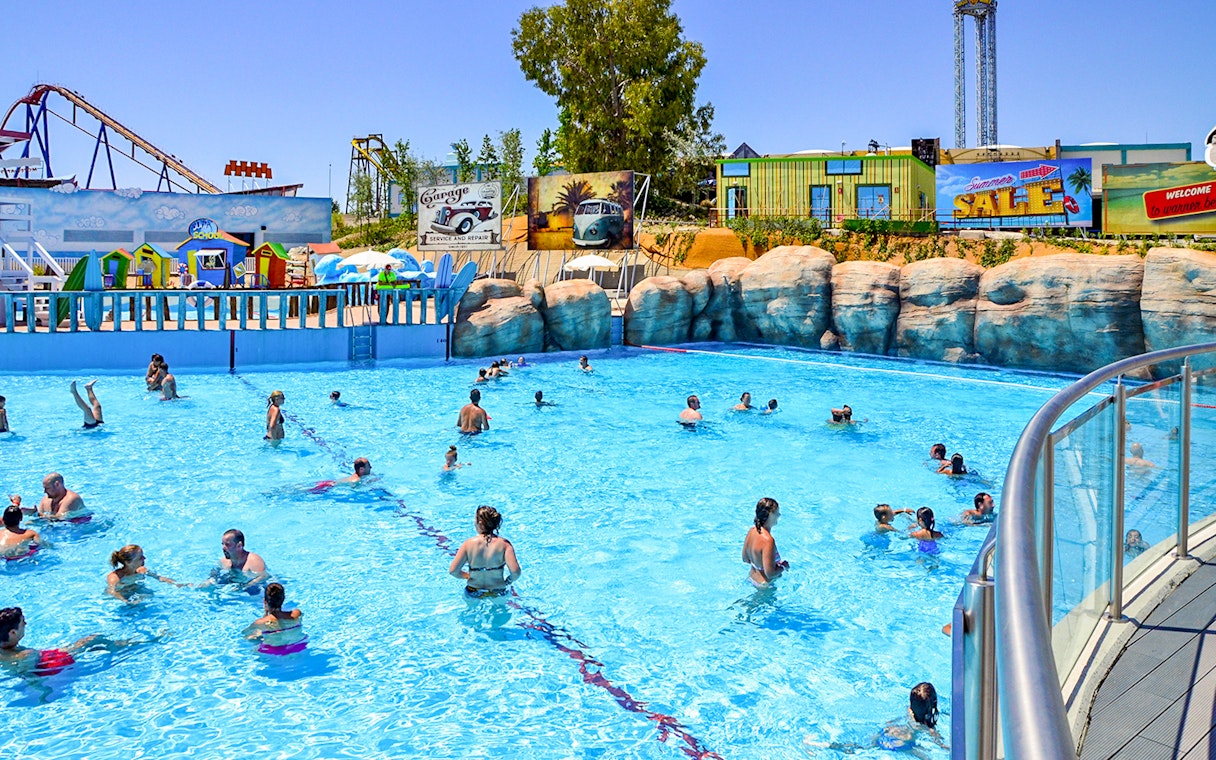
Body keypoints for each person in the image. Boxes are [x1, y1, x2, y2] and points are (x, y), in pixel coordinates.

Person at [0, 607, 135, 677]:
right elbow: (29, 675)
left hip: (44, 658)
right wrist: (43, 692)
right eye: (23, 623)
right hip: (53, 664)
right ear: (12, 632)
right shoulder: (26, 654)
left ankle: (118, 645)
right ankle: (129, 645)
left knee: (91, 643)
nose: (26, 624)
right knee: (93, 640)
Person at [449, 506, 521, 598]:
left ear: (480, 523)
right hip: (497, 591)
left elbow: (453, 571)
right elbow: (516, 572)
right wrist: (508, 581)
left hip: (473, 591)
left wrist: (467, 576)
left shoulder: (468, 544)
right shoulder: (505, 545)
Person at [245, 583, 306, 655]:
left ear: (265, 601)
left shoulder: (260, 622)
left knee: (252, 639)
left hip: (274, 651)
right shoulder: (297, 613)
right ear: (283, 599)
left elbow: (245, 634)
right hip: (298, 646)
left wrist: (266, 614)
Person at [106, 545, 180, 601]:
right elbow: (111, 592)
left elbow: (159, 578)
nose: (144, 558)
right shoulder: (115, 577)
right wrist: (126, 601)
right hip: (122, 598)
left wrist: (177, 583)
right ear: (128, 562)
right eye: (140, 557)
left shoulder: (142, 570)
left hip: (137, 593)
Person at [743, 497, 788, 586]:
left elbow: (745, 559)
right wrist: (783, 566)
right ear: (770, 515)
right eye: (776, 513)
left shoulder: (751, 531)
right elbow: (770, 574)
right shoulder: (768, 541)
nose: (779, 515)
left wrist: (760, 562)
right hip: (764, 585)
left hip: (751, 577)